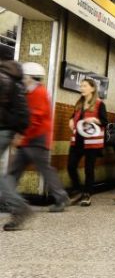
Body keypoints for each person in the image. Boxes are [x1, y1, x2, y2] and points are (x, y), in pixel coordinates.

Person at [7, 62, 69, 214]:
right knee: (14, 170)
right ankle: (7, 199)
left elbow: (35, 118)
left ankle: (61, 198)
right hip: (29, 139)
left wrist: (21, 136)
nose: (22, 79)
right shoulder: (30, 92)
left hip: (37, 140)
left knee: (44, 170)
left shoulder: (39, 93)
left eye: (24, 77)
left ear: (30, 77)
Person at [0, 60, 31, 231]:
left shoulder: (4, 78)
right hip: (8, 129)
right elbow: (23, 111)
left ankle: (18, 206)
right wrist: (19, 131)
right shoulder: (15, 80)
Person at [67, 78, 108, 207]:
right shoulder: (79, 103)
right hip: (77, 140)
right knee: (71, 166)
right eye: (81, 86)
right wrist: (71, 121)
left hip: (91, 142)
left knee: (89, 169)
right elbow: (73, 116)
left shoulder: (99, 104)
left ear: (92, 88)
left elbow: (104, 121)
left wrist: (94, 120)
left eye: (84, 86)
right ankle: (77, 190)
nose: (81, 88)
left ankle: (87, 194)